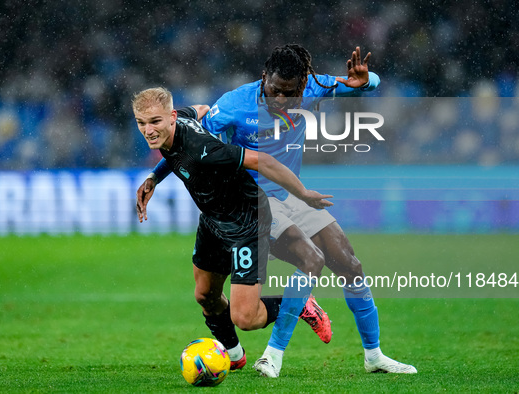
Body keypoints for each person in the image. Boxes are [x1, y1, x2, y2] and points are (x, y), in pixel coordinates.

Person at [139, 45, 417, 376]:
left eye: (290, 94)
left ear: (304, 84)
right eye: (274, 91)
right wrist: (157, 175)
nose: (281, 100)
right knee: (289, 269)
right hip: (253, 199)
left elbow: (365, 83)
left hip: (293, 194)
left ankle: (373, 356)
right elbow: (190, 144)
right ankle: (273, 347)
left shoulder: (316, 84)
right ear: (263, 79)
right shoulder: (233, 106)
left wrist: (367, 79)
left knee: (349, 264)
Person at [132, 87, 334, 371]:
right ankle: (234, 356)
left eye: (154, 121)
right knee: (205, 295)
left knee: (246, 318)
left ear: (171, 117)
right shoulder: (179, 123)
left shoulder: (203, 150)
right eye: (141, 122)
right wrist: (154, 177)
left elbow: (262, 161)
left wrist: (302, 193)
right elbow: (201, 108)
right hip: (214, 219)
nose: (148, 130)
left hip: (247, 222)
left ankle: (298, 304)